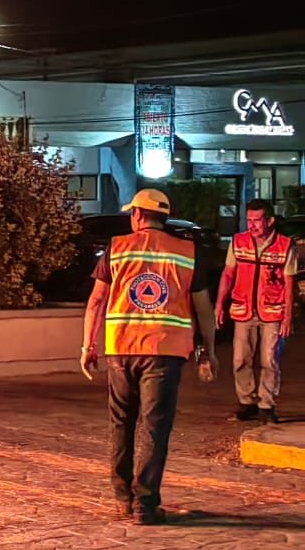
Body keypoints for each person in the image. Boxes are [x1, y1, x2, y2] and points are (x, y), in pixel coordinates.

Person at [80, 188, 218, 526]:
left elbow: (96, 301)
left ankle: (122, 498)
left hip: (121, 349)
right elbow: (203, 308)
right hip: (165, 350)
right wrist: (208, 352)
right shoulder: (187, 251)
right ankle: (146, 504)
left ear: (139, 215)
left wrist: (88, 346)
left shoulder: (117, 248)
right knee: (154, 427)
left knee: (121, 421)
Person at [215, 198, 296, 424]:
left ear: (269, 221)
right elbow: (228, 274)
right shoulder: (238, 242)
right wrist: (219, 304)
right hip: (243, 310)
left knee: (270, 360)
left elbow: (289, 285)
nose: (252, 225)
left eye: (257, 221)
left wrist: (288, 316)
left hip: (272, 311)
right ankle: (246, 401)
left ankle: (266, 405)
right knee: (240, 358)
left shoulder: (284, 245)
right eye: (249, 220)